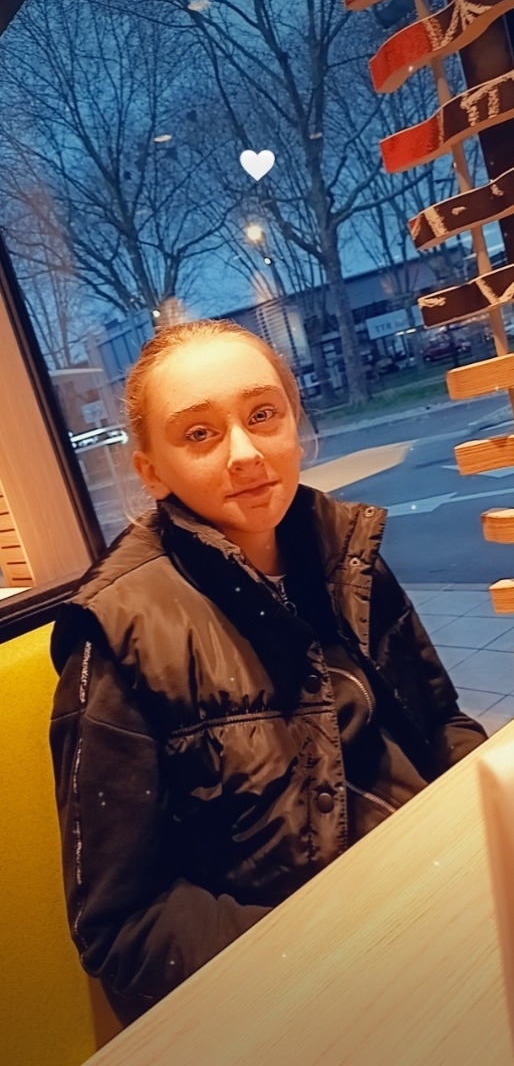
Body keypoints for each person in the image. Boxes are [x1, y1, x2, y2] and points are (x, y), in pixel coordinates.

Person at [50, 319, 487, 1027]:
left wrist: (483, 826)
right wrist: (322, 955)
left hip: (432, 901)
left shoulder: (347, 551)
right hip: (308, 986)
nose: (247, 454)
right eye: (200, 434)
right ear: (151, 471)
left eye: (262, 415)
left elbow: (441, 725)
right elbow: (121, 926)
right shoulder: (117, 632)